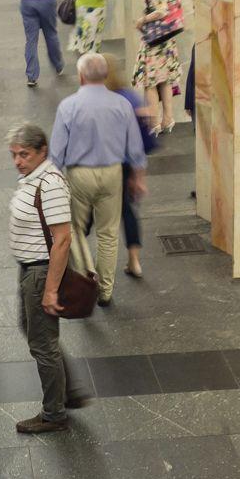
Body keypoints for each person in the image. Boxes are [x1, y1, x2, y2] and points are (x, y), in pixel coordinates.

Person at [5, 123, 89, 434]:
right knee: (35, 332)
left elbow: (62, 239)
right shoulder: (32, 177)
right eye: (14, 154)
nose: (17, 160)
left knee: (42, 342)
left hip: (41, 272)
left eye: (24, 154)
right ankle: (68, 391)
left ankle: (54, 413)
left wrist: (50, 289)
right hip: (31, 269)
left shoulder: (49, 185)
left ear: (42, 151)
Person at [50, 52, 145, 306]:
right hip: (113, 172)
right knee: (109, 233)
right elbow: (135, 147)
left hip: (79, 174)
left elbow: (57, 151)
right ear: (104, 75)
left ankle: (85, 276)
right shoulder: (122, 105)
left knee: (74, 228)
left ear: (81, 76)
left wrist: (52, 178)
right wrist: (137, 176)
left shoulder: (68, 106)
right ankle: (105, 291)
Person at [102, 61, 158, 281]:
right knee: (127, 210)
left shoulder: (102, 101)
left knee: (88, 215)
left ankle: (85, 263)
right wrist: (139, 176)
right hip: (128, 164)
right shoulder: (132, 97)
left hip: (105, 164)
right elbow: (141, 141)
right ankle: (134, 259)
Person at [131, 0, 184, 135]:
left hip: (155, 43)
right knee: (165, 81)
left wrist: (142, 20)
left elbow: (161, 11)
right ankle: (168, 119)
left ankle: (154, 123)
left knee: (150, 82)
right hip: (166, 42)